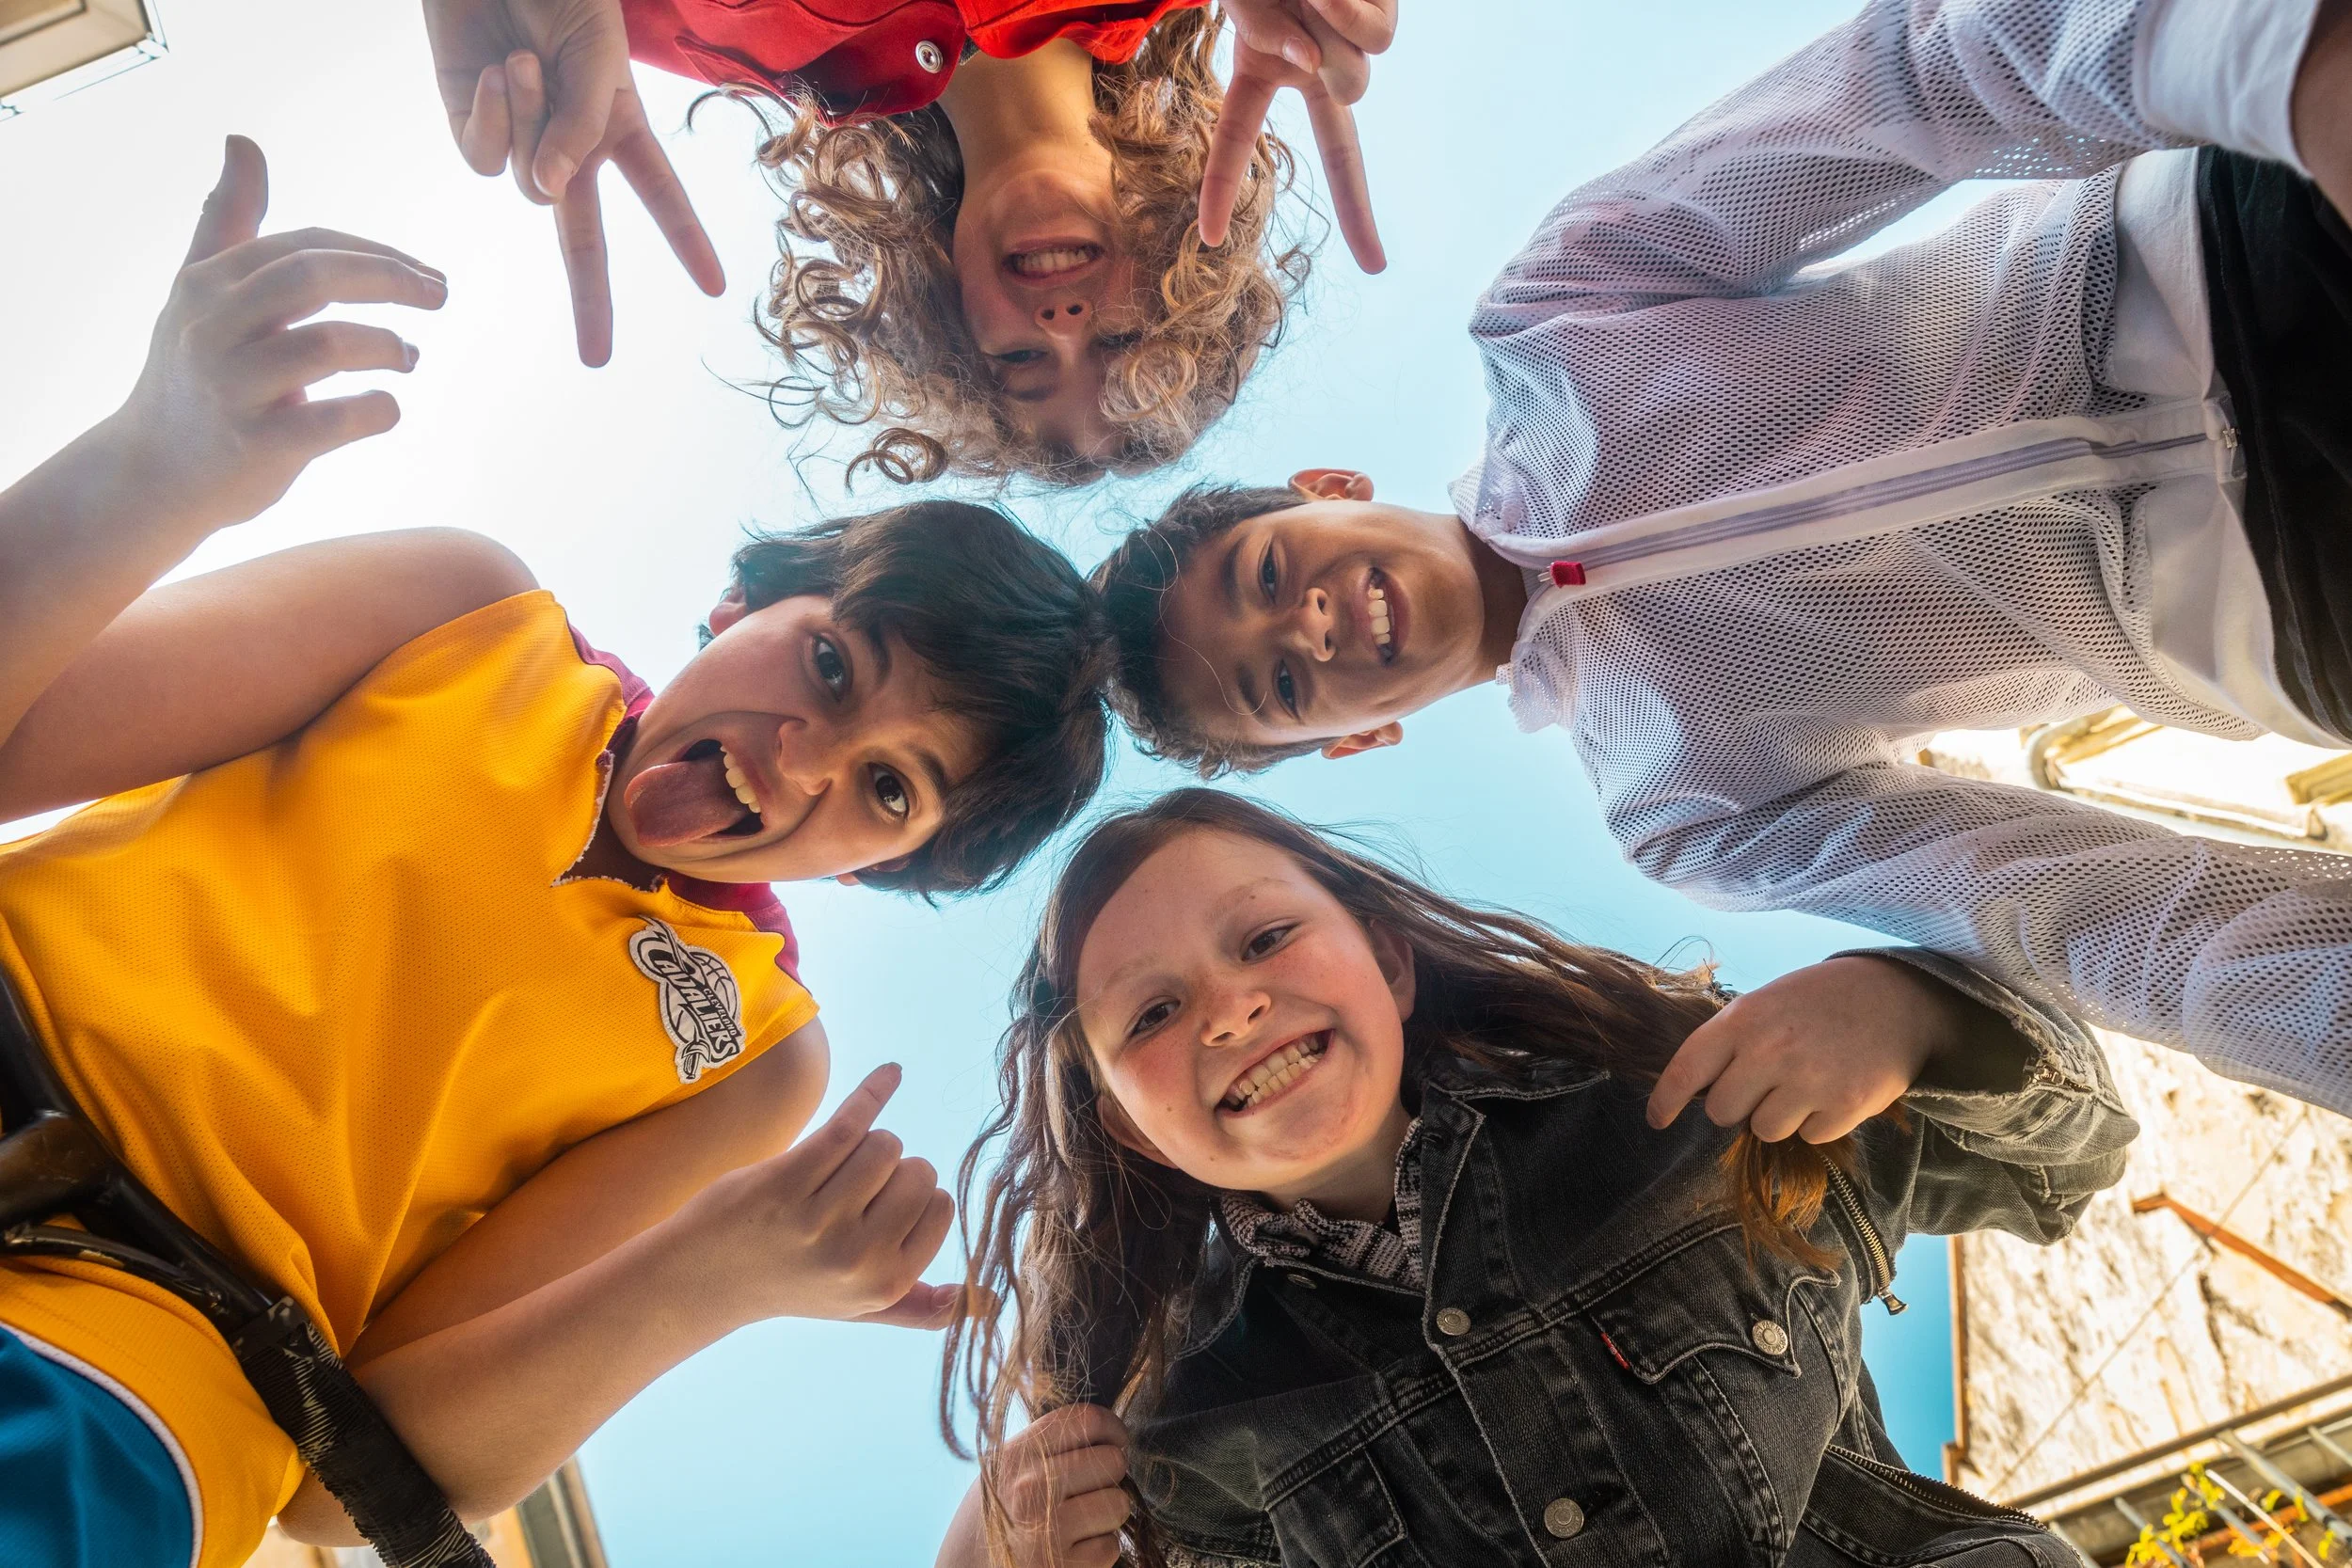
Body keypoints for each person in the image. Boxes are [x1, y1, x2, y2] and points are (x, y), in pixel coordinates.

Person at [0, 140, 1111, 1568]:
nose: (806, 757)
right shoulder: (468, 614)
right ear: (740, 604)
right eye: (833, 663)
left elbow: (350, 1489)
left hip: (158, 1356)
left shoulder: (757, 1052)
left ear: (870, 868)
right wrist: (156, 464)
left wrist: (715, 1271)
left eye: (889, 791)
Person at [1088, 0, 2352, 1115]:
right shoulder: (1680, 806)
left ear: (1324, 488)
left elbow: (1920, 79)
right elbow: (2053, 905)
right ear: (1359, 739)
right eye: (1282, 687)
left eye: (1261, 575)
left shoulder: (1554, 316)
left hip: (2260, 239)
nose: (1304, 627)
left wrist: (2288, 56)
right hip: (2304, 612)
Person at [930, 789, 2135, 1568]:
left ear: (1388, 964)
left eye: (1263, 939)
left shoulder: (1680, 1095)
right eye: (1152, 1009)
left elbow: (2067, 1161)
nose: (1233, 1006)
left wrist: (1918, 1011)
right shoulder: (1184, 1431)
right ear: (1129, 1129)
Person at [420, 0, 1394, 483]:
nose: (1058, 322)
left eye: (1021, 360)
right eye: (1114, 345)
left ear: (945, 310)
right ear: (1188, 261)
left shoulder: (721, 45)